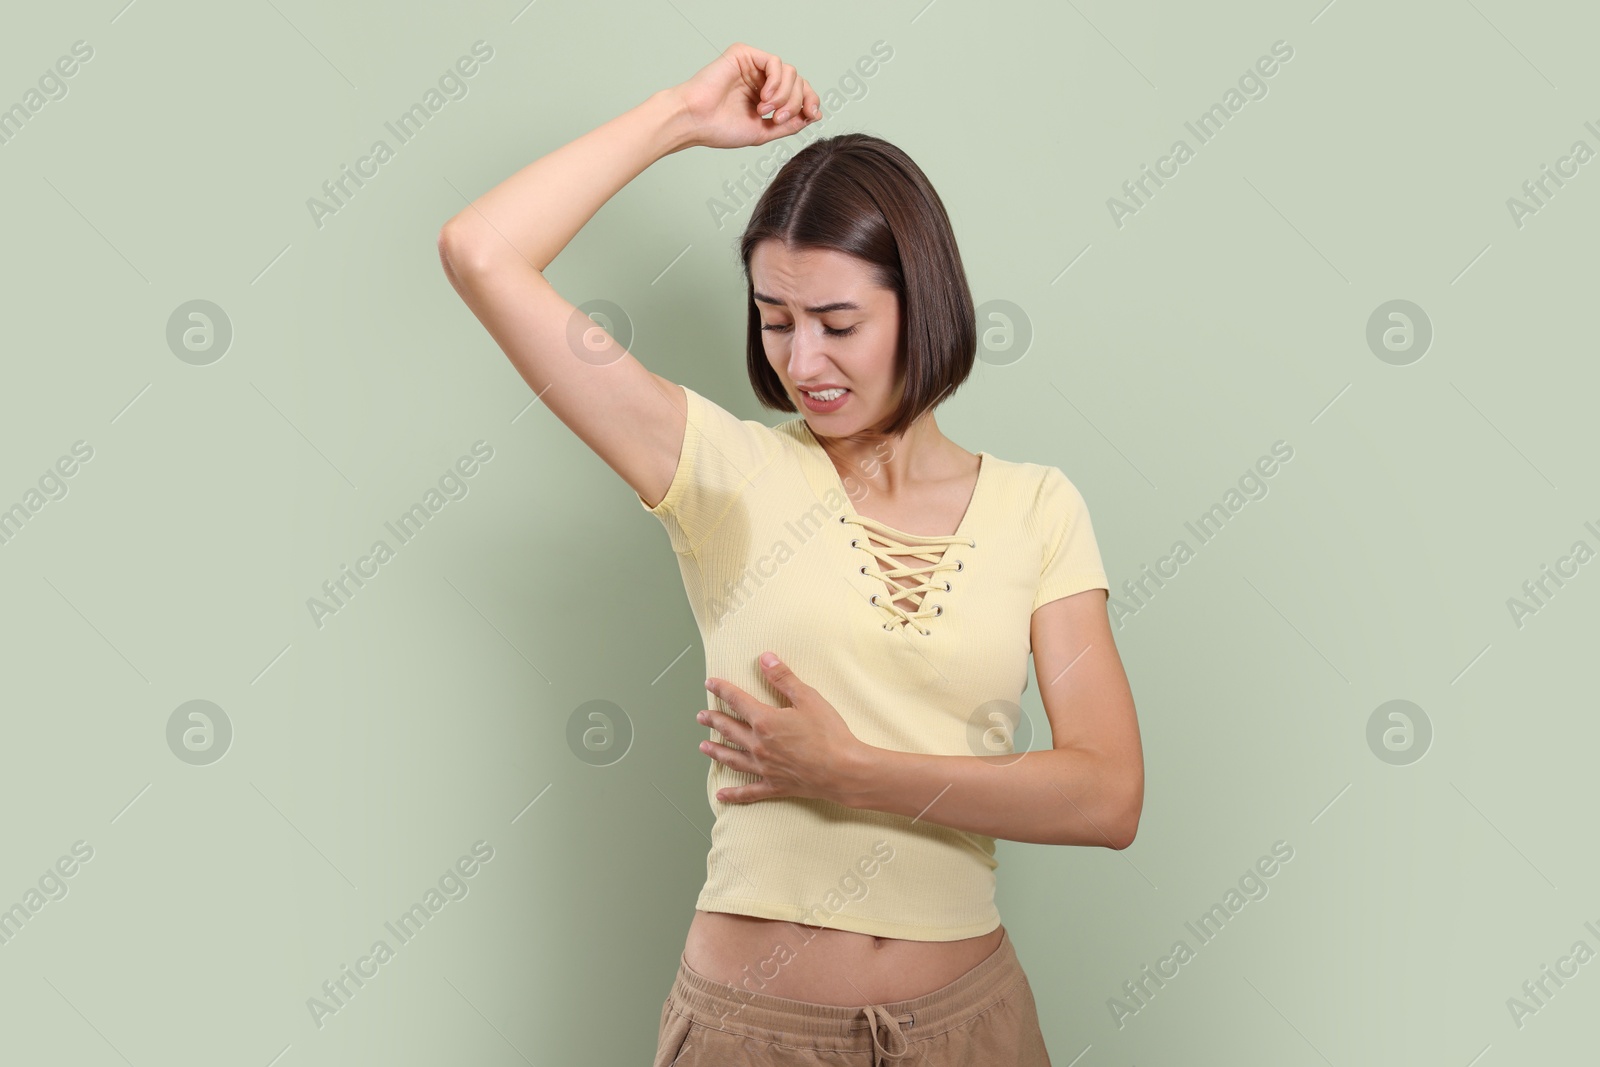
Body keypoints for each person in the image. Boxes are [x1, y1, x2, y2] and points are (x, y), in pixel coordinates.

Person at [437, 42, 1143, 1067]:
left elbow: (1106, 793)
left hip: (970, 1024)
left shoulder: (1037, 506)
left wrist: (854, 771)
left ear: (923, 301)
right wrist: (680, 115)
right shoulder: (719, 470)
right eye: (774, 321)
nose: (801, 361)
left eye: (837, 322)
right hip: (752, 1031)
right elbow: (480, 250)